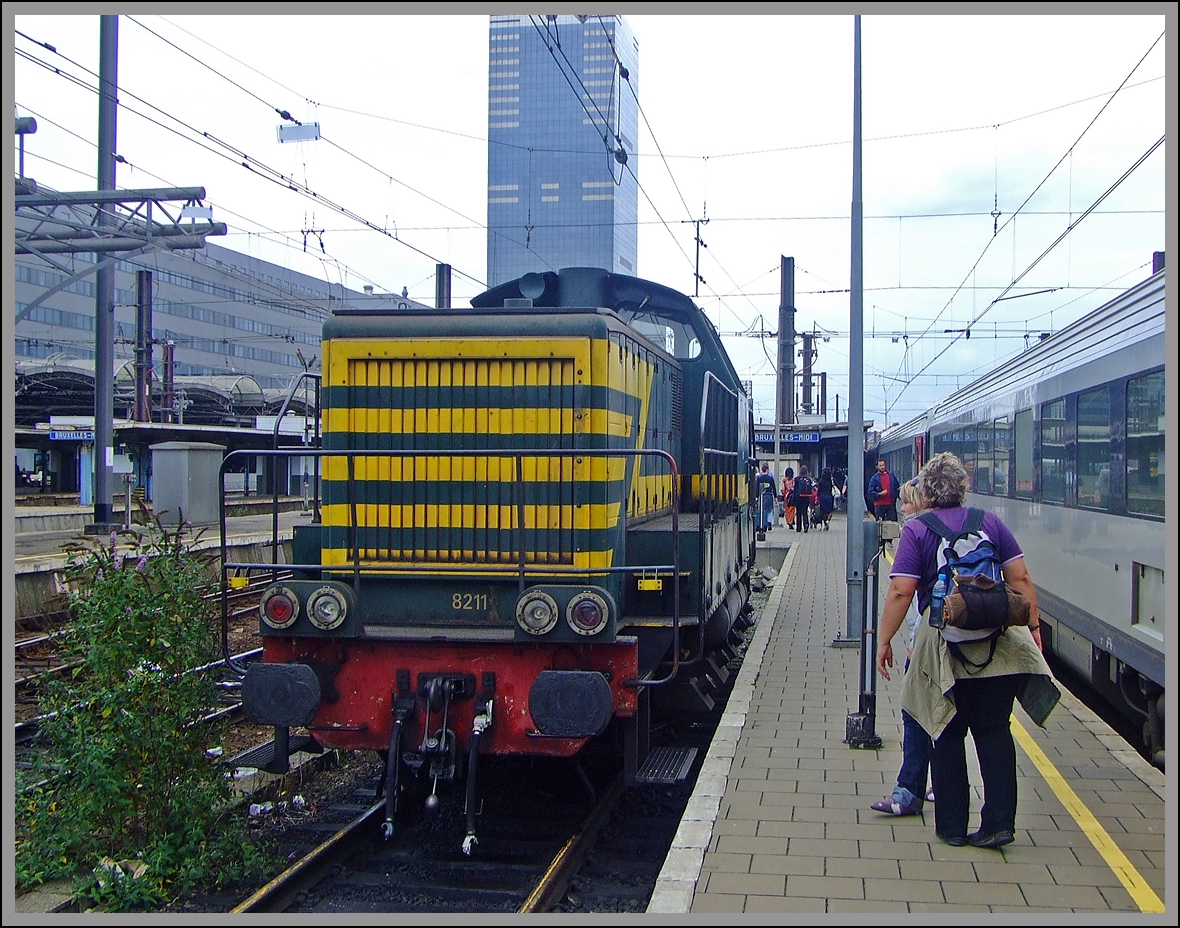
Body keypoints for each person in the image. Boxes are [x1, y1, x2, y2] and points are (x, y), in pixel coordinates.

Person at [876, 452, 1053, 849]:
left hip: (945, 651)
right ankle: (998, 824)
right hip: (996, 645)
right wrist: (1034, 628)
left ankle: (953, 827)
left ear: (925, 493)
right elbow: (1020, 577)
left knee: (947, 733)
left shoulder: (918, 530)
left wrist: (884, 640)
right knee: (994, 732)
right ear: (963, 488)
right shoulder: (990, 522)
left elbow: (902, 591)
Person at [871, 478, 934, 816]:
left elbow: (903, 593)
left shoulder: (915, 533)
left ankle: (908, 792)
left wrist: (891, 642)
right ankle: (942, 786)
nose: (902, 509)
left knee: (914, 715)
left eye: (906, 503)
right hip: (955, 642)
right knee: (945, 720)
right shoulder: (958, 530)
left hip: (925, 645)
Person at [754, 462, 777, 535]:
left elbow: (757, 488)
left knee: (762, 510)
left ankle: (763, 523)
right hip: (769, 495)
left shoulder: (759, 478)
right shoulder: (770, 478)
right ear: (767, 470)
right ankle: (769, 522)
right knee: (769, 510)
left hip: (761, 496)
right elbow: (774, 488)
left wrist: (756, 497)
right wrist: (775, 497)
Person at [791, 465, 814, 533]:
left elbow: (794, 489)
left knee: (798, 512)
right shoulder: (809, 479)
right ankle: (806, 524)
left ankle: (798, 527)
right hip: (806, 497)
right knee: (805, 512)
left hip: (798, 497)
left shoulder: (797, 479)